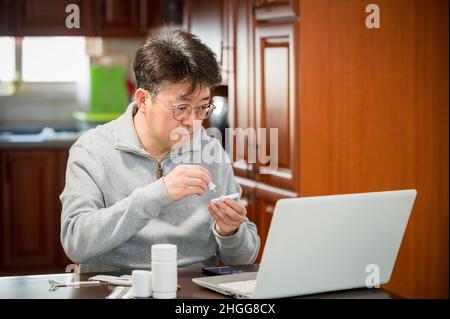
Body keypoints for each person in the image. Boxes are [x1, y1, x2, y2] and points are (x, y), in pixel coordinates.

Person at [60, 29, 260, 273]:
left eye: (203, 108)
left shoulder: (210, 150)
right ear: (143, 100)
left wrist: (231, 232)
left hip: (194, 293)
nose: (193, 122)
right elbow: (76, 242)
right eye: (182, 107)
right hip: (116, 288)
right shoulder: (92, 151)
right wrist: (159, 193)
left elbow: (244, 259)